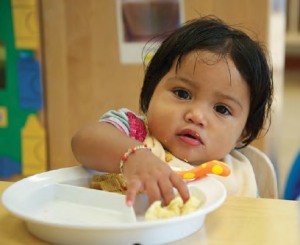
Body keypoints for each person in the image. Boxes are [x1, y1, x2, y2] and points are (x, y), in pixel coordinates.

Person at [71, 15, 273, 207]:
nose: (196, 116)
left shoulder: (239, 177)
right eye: (183, 94)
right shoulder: (134, 132)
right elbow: (84, 140)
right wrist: (133, 157)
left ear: (243, 133)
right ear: (152, 89)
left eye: (221, 109)